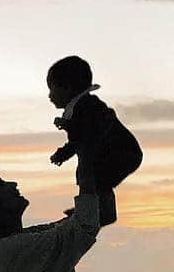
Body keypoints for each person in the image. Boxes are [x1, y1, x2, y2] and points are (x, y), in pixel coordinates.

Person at [47, 55, 143, 227]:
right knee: (92, 175)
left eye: (52, 89)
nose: (50, 96)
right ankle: (95, 209)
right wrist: (64, 152)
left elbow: (89, 130)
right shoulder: (78, 108)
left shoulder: (88, 105)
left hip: (121, 152)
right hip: (115, 152)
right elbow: (79, 139)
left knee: (93, 175)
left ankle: (100, 211)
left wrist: (69, 127)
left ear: (67, 88)